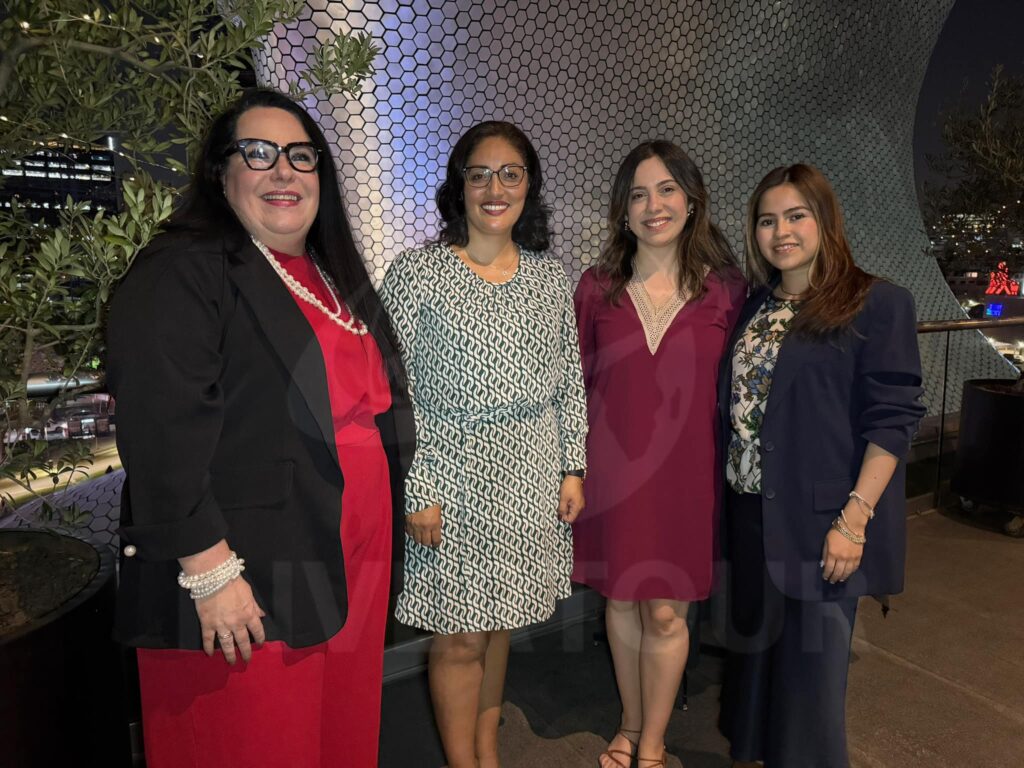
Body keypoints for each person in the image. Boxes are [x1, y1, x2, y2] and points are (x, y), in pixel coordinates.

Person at [106, 87, 414, 768]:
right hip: (251, 572)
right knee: (254, 742)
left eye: (300, 157)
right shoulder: (186, 267)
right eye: (259, 152)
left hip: (344, 554)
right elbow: (159, 426)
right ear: (222, 174)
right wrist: (210, 571)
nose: (283, 172)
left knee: (336, 733)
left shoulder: (331, 274)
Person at [379, 120, 588, 768]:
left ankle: (488, 752)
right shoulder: (417, 274)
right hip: (450, 473)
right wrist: (418, 487)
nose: (495, 188)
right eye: (480, 174)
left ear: (529, 187)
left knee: (500, 626)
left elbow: (569, 379)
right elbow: (390, 390)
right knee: (460, 636)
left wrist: (571, 468)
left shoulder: (551, 277)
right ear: (460, 187)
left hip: (530, 470)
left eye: (510, 174)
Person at [716, 163, 926, 767]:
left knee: (811, 688)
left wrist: (854, 519)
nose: (781, 231)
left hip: (826, 524)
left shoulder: (877, 302)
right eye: (767, 219)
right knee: (754, 676)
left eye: (796, 215)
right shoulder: (755, 307)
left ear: (825, 220)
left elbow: (891, 420)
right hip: (752, 514)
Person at [571, 141, 745, 768]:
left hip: (687, 475)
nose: (654, 205)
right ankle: (628, 719)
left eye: (667, 189)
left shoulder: (729, 290)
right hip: (613, 475)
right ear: (623, 210)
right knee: (620, 601)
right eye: (639, 194)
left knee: (667, 613)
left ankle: (651, 742)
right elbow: (574, 384)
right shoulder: (596, 287)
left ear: (692, 199)